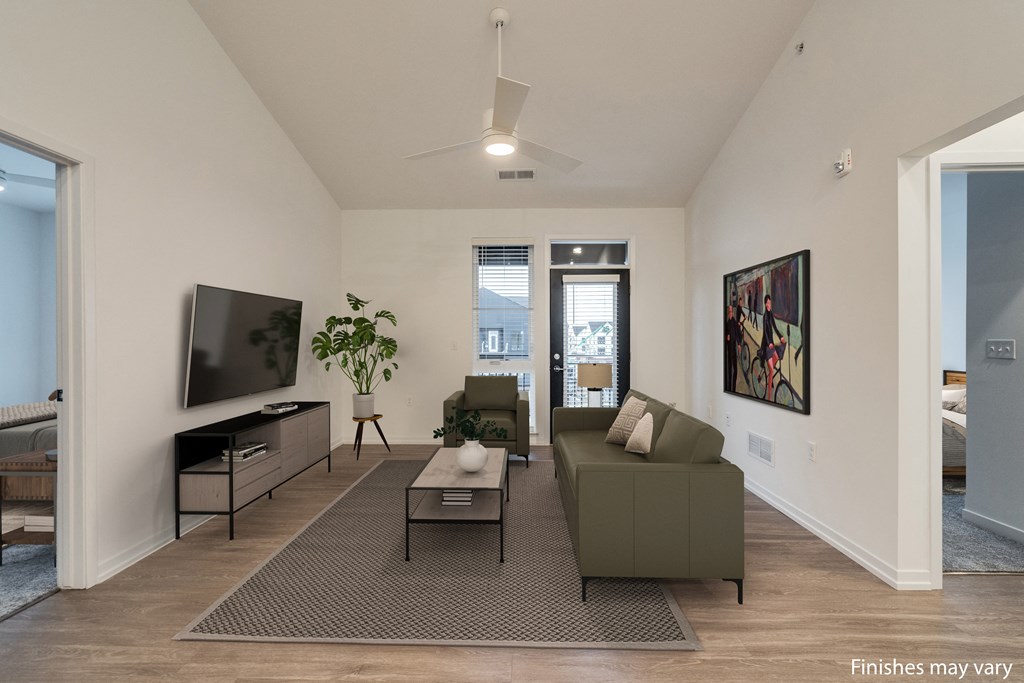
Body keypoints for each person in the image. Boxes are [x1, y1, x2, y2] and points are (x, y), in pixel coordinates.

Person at [759, 294, 786, 401]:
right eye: (768, 302)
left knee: (777, 357)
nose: (769, 304)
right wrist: (770, 342)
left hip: (771, 345)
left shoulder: (771, 315)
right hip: (766, 345)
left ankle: (769, 375)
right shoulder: (765, 316)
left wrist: (781, 337)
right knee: (771, 370)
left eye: (770, 302)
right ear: (765, 304)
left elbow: (774, 327)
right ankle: (769, 396)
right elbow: (765, 331)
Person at [725, 304, 741, 392]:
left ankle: (733, 389)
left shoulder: (734, 322)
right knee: (729, 370)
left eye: (731, 311)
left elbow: (738, 333)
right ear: (728, 313)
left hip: (733, 349)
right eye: (729, 312)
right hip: (728, 349)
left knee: (735, 369)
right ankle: (729, 388)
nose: (730, 313)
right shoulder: (726, 322)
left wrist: (738, 344)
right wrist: (726, 336)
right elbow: (726, 332)